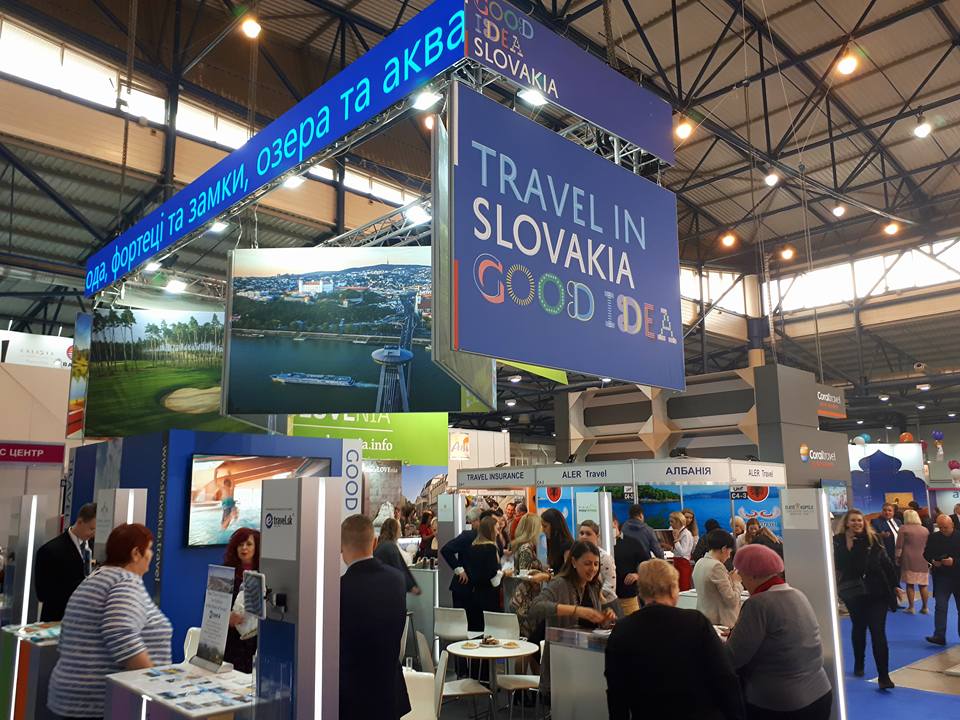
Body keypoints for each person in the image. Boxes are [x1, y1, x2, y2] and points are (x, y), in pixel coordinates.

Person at [48, 523, 172, 719]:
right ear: (136, 553)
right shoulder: (125, 582)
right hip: (98, 703)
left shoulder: (97, 578)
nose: (151, 555)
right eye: (149, 549)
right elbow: (120, 634)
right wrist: (156, 686)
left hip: (74, 697)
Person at [605, 559, 745, 720]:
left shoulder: (623, 629)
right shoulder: (696, 622)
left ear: (641, 592)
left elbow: (616, 690)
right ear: (673, 589)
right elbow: (724, 676)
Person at [727, 544, 833, 718]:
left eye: (740, 573)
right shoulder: (797, 594)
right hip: (819, 692)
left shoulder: (758, 604)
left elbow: (734, 657)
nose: (740, 579)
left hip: (780, 702)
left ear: (753, 574)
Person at [340, 514, 410, 720]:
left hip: (352, 696)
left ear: (341, 546)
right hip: (389, 691)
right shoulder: (397, 580)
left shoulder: (339, 589)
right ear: (375, 542)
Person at [528, 541, 616, 698]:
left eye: (596, 564)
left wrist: (604, 619)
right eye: (587, 563)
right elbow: (536, 607)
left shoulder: (594, 586)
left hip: (588, 661)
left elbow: (593, 624)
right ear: (574, 562)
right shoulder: (559, 584)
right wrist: (575, 610)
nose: (593, 568)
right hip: (563, 662)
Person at [833, 509, 898, 689]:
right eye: (853, 520)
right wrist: (849, 544)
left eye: (859, 520)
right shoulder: (838, 541)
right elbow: (843, 566)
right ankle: (859, 662)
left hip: (877, 592)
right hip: (854, 593)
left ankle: (884, 676)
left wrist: (895, 585)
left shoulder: (873, 539)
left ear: (864, 522)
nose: (857, 523)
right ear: (847, 523)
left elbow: (886, 563)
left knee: (878, 633)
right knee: (859, 628)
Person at [35, 502, 97, 622]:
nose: (93, 534)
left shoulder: (96, 549)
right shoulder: (50, 550)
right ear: (80, 522)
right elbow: (43, 593)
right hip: (59, 619)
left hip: (88, 621)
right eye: (91, 529)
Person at [509, 513, 552, 649]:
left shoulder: (524, 547)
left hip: (525, 599)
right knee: (526, 643)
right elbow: (525, 574)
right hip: (525, 600)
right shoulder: (526, 548)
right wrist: (542, 574)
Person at [223, 528, 260, 674]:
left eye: (249, 544)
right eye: (240, 544)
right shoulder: (224, 573)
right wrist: (227, 618)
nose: (244, 548)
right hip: (231, 642)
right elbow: (211, 607)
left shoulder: (265, 573)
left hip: (257, 642)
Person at [615, 505, 664, 615]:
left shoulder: (623, 529)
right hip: (642, 572)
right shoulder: (648, 530)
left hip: (623, 579)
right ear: (641, 515)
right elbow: (659, 553)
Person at [692, 529, 743, 627]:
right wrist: (737, 582)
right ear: (724, 549)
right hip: (720, 621)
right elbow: (732, 600)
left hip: (705, 617)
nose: (729, 556)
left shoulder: (700, 562)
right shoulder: (717, 566)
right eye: (729, 551)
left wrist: (729, 579)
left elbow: (712, 590)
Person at [923, 513, 960, 646]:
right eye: (940, 527)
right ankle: (939, 636)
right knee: (940, 606)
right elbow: (926, 554)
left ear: (952, 525)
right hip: (941, 577)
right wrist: (933, 561)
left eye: (945, 527)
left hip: (958, 576)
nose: (943, 530)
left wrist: (954, 562)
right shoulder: (933, 537)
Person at [440, 506, 482, 612]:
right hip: (463, 588)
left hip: (473, 589)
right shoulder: (468, 536)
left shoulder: (482, 537)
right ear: (476, 520)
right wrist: (459, 569)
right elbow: (446, 550)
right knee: (462, 619)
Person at [464, 515, 503, 630]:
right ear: (490, 530)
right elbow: (493, 579)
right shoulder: (490, 548)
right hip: (489, 597)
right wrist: (504, 573)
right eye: (497, 529)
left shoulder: (473, 547)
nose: (498, 532)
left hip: (474, 596)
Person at [896, 509, 930, 614]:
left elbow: (899, 546)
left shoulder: (903, 528)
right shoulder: (925, 530)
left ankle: (911, 607)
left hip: (908, 559)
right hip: (923, 559)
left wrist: (897, 558)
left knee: (910, 584)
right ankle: (925, 607)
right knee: (923, 584)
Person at [375, 518, 420, 595]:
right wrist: (412, 587)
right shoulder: (390, 547)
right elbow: (399, 568)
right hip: (390, 591)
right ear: (395, 531)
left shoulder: (380, 545)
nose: (400, 531)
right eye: (399, 528)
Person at [578, 520, 617, 603]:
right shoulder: (576, 556)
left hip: (605, 603)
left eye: (588, 534)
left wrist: (592, 594)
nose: (584, 536)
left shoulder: (604, 557)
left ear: (597, 536)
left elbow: (610, 585)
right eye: (581, 533)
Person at [667, 511, 695, 591]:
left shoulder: (686, 534)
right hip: (676, 561)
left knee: (683, 588)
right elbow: (677, 551)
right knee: (676, 588)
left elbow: (683, 552)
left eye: (672, 521)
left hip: (683, 563)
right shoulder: (676, 531)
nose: (670, 524)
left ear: (678, 522)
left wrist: (676, 540)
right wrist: (670, 548)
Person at [541, 508, 574, 575]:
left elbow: (568, 574)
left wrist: (548, 576)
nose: (542, 530)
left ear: (555, 526)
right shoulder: (552, 543)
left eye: (545, 526)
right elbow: (554, 570)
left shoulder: (567, 546)